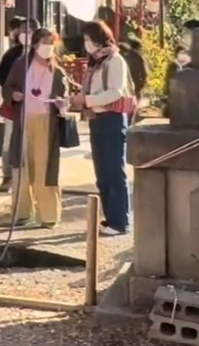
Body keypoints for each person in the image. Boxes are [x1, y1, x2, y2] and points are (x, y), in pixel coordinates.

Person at [72, 20, 135, 236]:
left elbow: (115, 92)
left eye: (89, 39)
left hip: (112, 118)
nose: (87, 44)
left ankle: (120, 221)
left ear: (99, 39)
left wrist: (87, 100)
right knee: (102, 173)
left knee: (114, 171)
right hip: (96, 118)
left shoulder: (114, 61)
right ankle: (110, 218)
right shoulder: (96, 63)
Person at [3, 27, 68, 228]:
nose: (47, 47)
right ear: (35, 44)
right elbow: (7, 87)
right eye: (44, 43)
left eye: (51, 43)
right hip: (24, 120)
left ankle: (48, 215)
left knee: (45, 169)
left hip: (46, 123)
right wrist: (13, 95)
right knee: (22, 167)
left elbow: (65, 97)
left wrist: (61, 103)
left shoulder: (57, 71)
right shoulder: (21, 65)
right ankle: (22, 213)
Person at [0, 16, 31, 192]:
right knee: (8, 142)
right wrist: (11, 91)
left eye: (29, 32)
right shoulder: (13, 54)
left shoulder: (44, 55)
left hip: (36, 107)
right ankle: (8, 176)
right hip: (14, 105)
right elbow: (0, 75)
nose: (25, 35)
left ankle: (29, 178)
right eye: (23, 31)